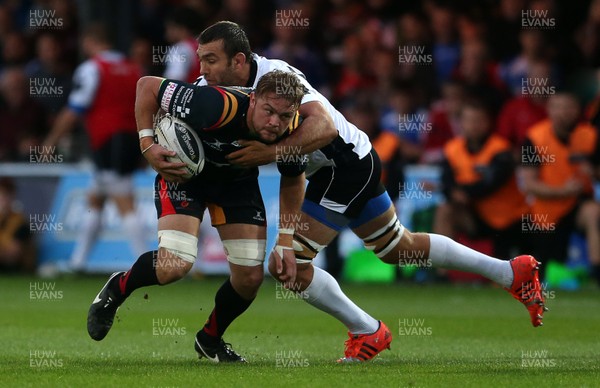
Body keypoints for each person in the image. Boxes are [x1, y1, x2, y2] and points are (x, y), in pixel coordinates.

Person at [173, 21, 546, 363]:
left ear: (238, 60)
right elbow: (291, 172)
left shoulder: (279, 77)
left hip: (344, 166)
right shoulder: (217, 89)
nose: (201, 70)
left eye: (209, 59)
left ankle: (368, 330)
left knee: (290, 265)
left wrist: (272, 168)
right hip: (350, 160)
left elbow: (324, 129)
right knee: (398, 248)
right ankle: (510, 272)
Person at [87, 70, 307, 364]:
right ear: (253, 99)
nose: (274, 122)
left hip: (235, 185)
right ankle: (119, 287)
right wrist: (147, 144)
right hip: (183, 177)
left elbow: (294, 179)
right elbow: (146, 86)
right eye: (269, 111)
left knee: (249, 278)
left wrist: (286, 241)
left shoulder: (293, 130)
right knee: (173, 266)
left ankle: (210, 340)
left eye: (283, 115)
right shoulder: (216, 104)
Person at [42, 24, 146, 272]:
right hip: (132, 139)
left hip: (108, 142)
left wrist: (51, 141)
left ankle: (145, 264)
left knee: (124, 201)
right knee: (95, 198)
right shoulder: (134, 69)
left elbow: (75, 109)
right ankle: (78, 264)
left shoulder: (92, 69)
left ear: (90, 41)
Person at [520, 92, 600, 285]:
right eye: (559, 107)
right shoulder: (534, 138)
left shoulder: (591, 136)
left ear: (578, 110)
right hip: (546, 212)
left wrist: (593, 173)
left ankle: (597, 272)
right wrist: (563, 191)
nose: (565, 112)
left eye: (569, 107)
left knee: (593, 213)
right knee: (545, 270)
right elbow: (529, 184)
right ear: (549, 110)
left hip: (579, 204)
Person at [434, 100, 530, 260]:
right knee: (445, 210)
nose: (474, 125)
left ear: (488, 123)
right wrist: (453, 192)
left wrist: (463, 192)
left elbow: (491, 184)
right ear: (461, 123)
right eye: (469, 120)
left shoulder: (501, 148)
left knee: (507, 275)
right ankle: (439, 269)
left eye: (478, 120)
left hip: (509, 220)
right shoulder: (452, 148)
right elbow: (446, 181)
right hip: (475, 215)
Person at [0, 177, 35, 273]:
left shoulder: (21, 222)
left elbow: (13, 254)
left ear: (12, 197)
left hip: (14, 269)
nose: (2, 201)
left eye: (4, 196)